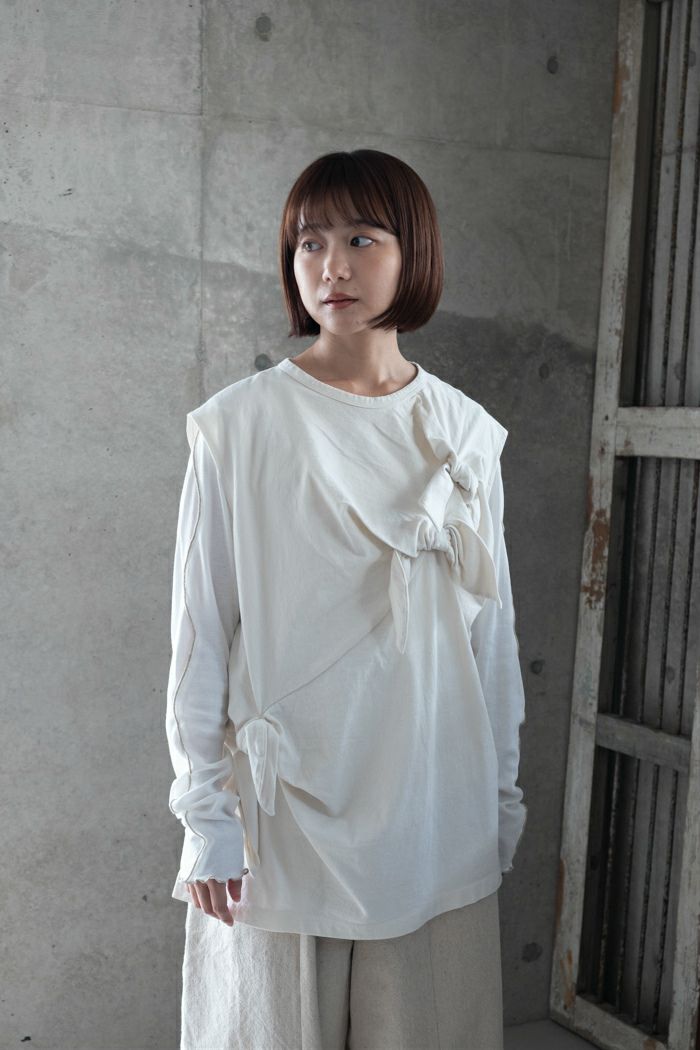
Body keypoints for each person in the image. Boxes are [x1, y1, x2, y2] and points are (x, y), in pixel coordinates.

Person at [165, 148, 527, 1050]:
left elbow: (491, 640)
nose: (332, 266)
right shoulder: (238, 427)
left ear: (414, 253)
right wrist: (206, 817)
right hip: (283, 814)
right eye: (309, 243)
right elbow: (201, 634)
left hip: (432, 802)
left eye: (362, 239)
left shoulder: (466, 434)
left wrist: (500, 798)